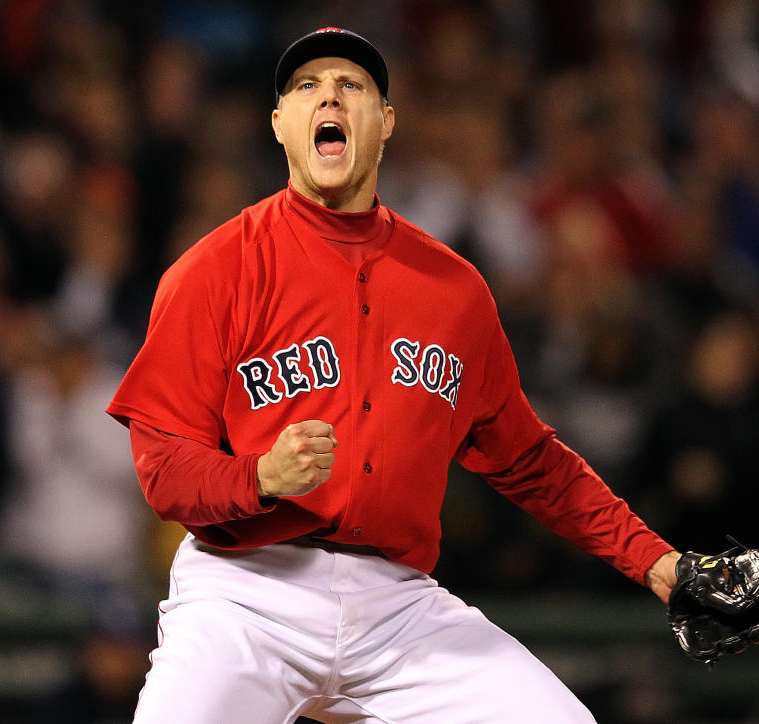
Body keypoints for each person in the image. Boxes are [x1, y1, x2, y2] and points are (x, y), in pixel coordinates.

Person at [107, 27, 680, 723]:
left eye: (351, 86)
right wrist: (256, 478)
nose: (329, 98)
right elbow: (163, 470)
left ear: (385, 124)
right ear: (280, 124)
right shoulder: (213, 270)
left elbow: (532, 462)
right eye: (306, 87)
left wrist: (657, 563)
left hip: (397, 606)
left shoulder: (453, 289)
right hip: (245, 594)